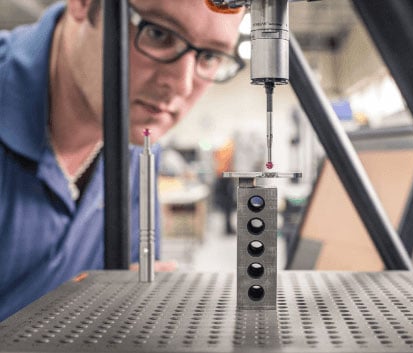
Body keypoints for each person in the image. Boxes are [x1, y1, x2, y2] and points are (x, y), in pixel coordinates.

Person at [0, 0, 244, 321]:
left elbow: (126, 286)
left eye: (210, 56)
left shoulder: (138, 145)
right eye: (157, 33)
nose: (181, 85)